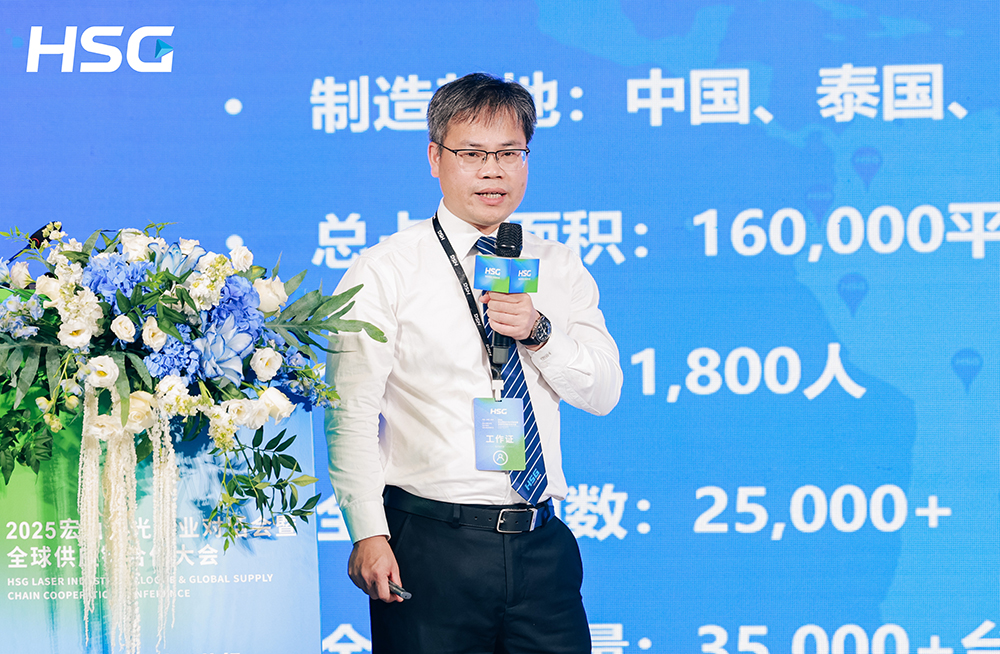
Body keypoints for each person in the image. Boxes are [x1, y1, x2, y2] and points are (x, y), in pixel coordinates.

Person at [326, 72, 622, 653]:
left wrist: (538, 332)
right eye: (473, 154)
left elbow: (603, 392)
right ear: (435, 158)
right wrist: (367, 532)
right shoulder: (387, 269)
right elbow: (350, 411)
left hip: (541, 545)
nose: (493, 171)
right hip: (431, 543)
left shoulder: (558, 264)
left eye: (510, 153)